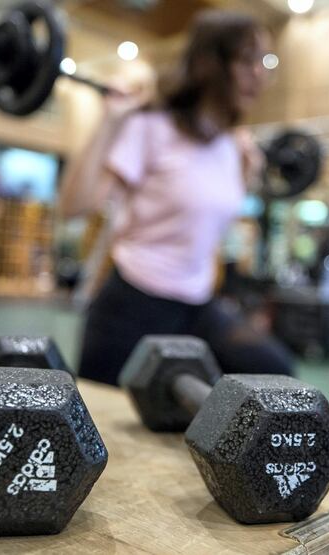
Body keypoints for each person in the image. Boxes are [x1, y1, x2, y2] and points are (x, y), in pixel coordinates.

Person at [59, 10, 294, 385]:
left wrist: (247, 177)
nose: (259, 74)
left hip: (197, 307)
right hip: (133, 302)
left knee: (275, 373)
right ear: (210, 64)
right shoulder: (151, 127)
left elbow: (204, 215)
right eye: (248, 60)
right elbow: (74, 206)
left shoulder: (234, 143)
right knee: (100, 419)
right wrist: (109, 123)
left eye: (266, 61)